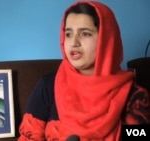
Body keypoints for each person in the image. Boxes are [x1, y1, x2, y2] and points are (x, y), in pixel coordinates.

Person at [18, 1, 150, 141]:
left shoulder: (134, 97)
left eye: (85, 34)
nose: (74, 42)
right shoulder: (47, 86)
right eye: (68, 34)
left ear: (106, 39)